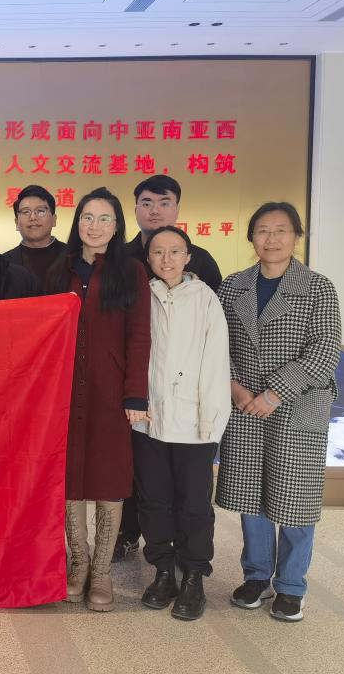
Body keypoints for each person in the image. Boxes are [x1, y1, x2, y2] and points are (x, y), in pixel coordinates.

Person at [216, 202, 341, 623]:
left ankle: (290, 585)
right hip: (244, 403)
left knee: (295, 498)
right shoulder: (233, 285)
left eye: (281, 230)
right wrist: (235, 387)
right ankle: (256, 577)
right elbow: (215, 342)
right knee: (251, 495)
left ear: (296, 236)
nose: (271, 239)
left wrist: (274, 393)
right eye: (262, 231)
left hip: (296, 405)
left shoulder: (318, 287)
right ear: (251, 237)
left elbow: (325, 350)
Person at [46, 187, 151, 612]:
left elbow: (140, 336)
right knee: (70, 476)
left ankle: (102, 571)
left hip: (112, 390)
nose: (95, 226)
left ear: (117, 225)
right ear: (78, 223)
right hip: (65, 390)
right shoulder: (61, 268)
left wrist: (135, 394)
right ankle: (79, 564)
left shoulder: (132, 271)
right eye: (88, 217)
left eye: (104, 218)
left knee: (109, 476)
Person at [118, 174, 223, 562]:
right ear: (135, 208)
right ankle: (132, 537)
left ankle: (190, 559)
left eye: (164, 202)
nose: (155, 210)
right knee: (144, 479)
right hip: (141, 396)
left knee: (190, 490)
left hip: (188, 399)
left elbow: (213, 342)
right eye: (147, 202)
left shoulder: (203, 266)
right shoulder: (122, 258)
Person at [133, 226, 231, 621]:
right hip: (147, 420)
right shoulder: (141, 296)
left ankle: (193, 576)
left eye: (175, 251)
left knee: (193, 504)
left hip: (193, 422)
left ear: (189, 257)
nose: (167, 259)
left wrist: (211, 422)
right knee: (153, 499)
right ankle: (162, 571)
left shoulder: (205, 298)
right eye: (158, 252)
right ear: (148, 258)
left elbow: (215, 364)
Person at [2, 184, 65, 292]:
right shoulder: (3, 263)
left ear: (54, 219)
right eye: (26, 212)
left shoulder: (72, 256)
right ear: (16, 223)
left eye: (40, 211)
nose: (33, 217)